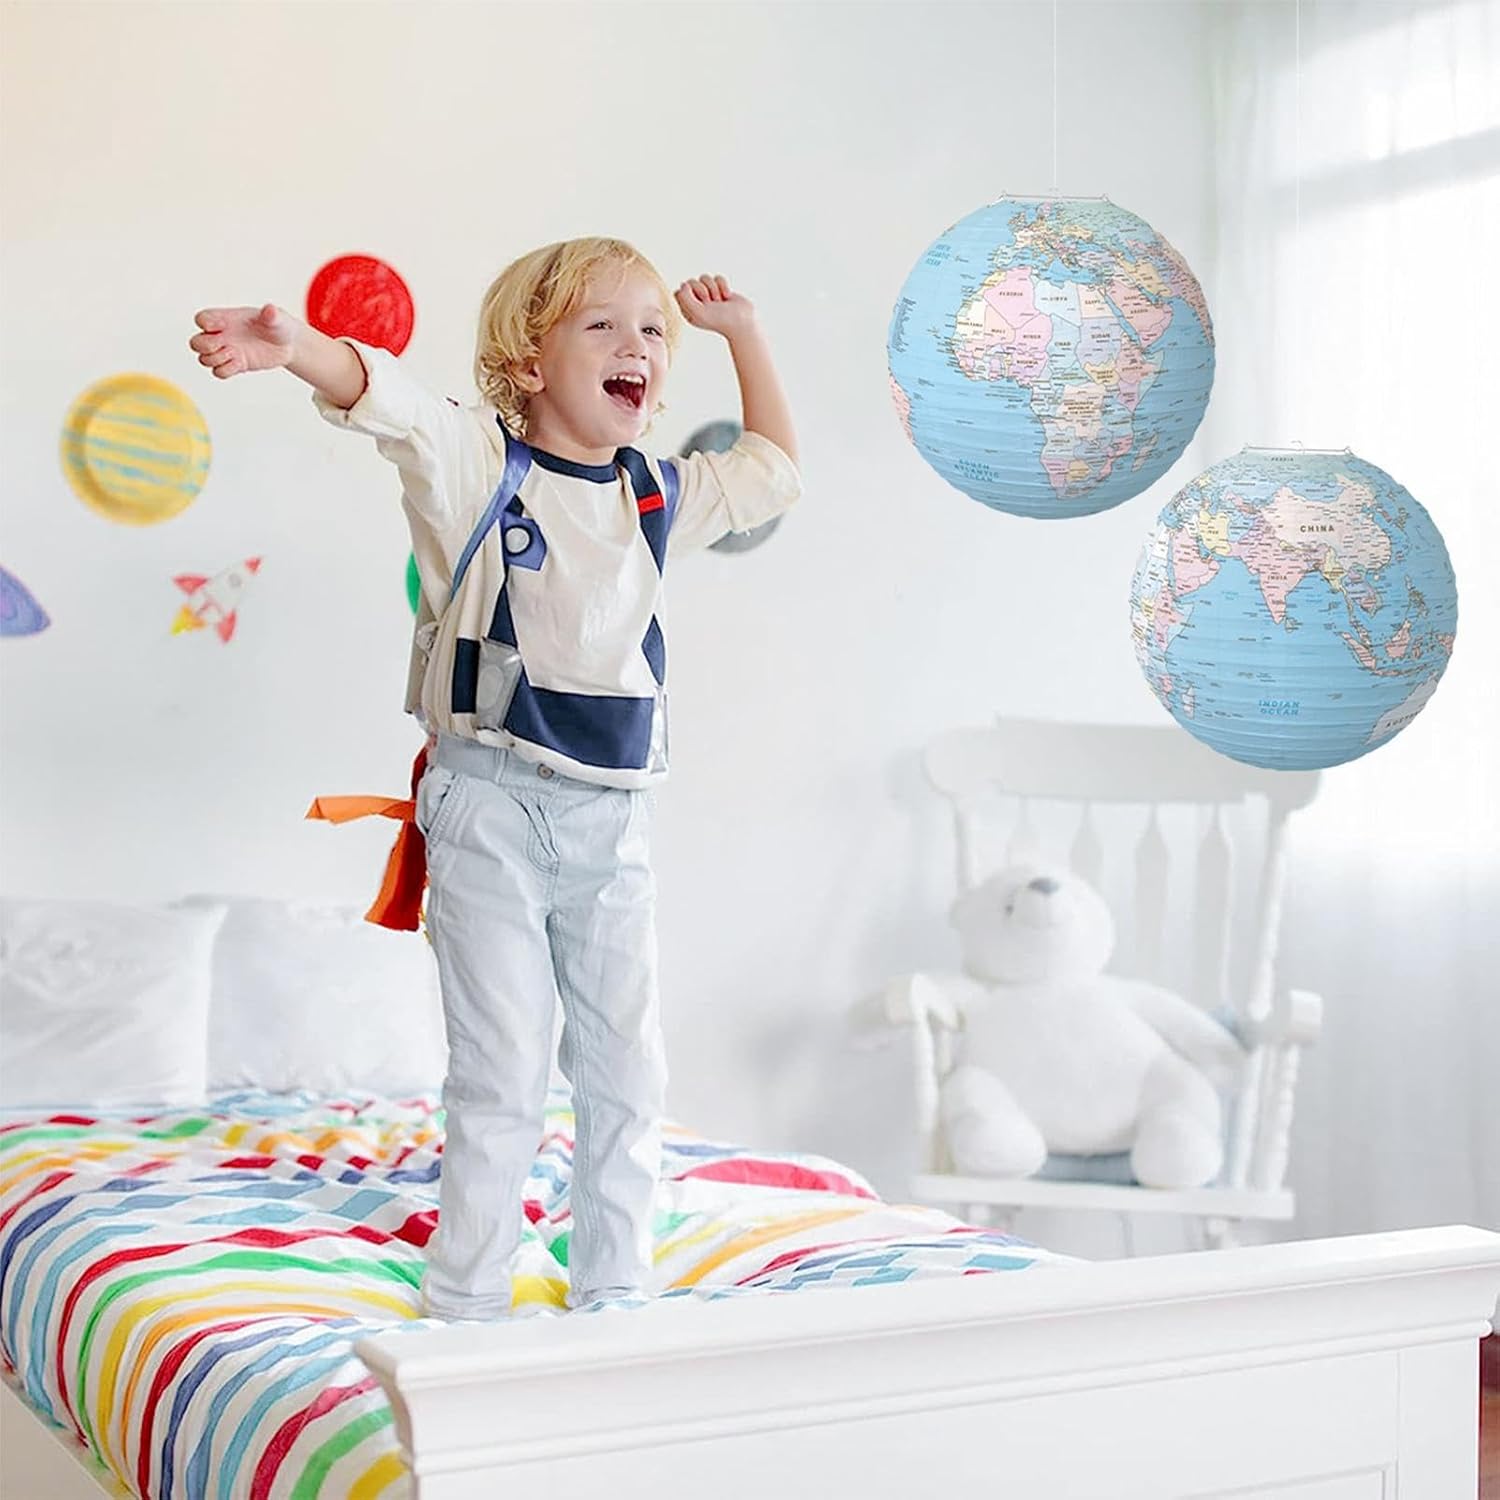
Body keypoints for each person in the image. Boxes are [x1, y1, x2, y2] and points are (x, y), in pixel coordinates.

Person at [188, 237, 801, 1319]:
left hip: (615, 820)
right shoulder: (481, 464)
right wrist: (297, 349)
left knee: (627, 1070)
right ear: (527, 362)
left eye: (651, 329)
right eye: (601, 325)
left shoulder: (656, 496)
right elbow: (389, 401)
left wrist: (743, 334)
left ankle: (615, 1287)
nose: (637, 345)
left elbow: (772, 471)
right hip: (491, 805)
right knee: (503, 1069)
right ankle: (468, 1297)